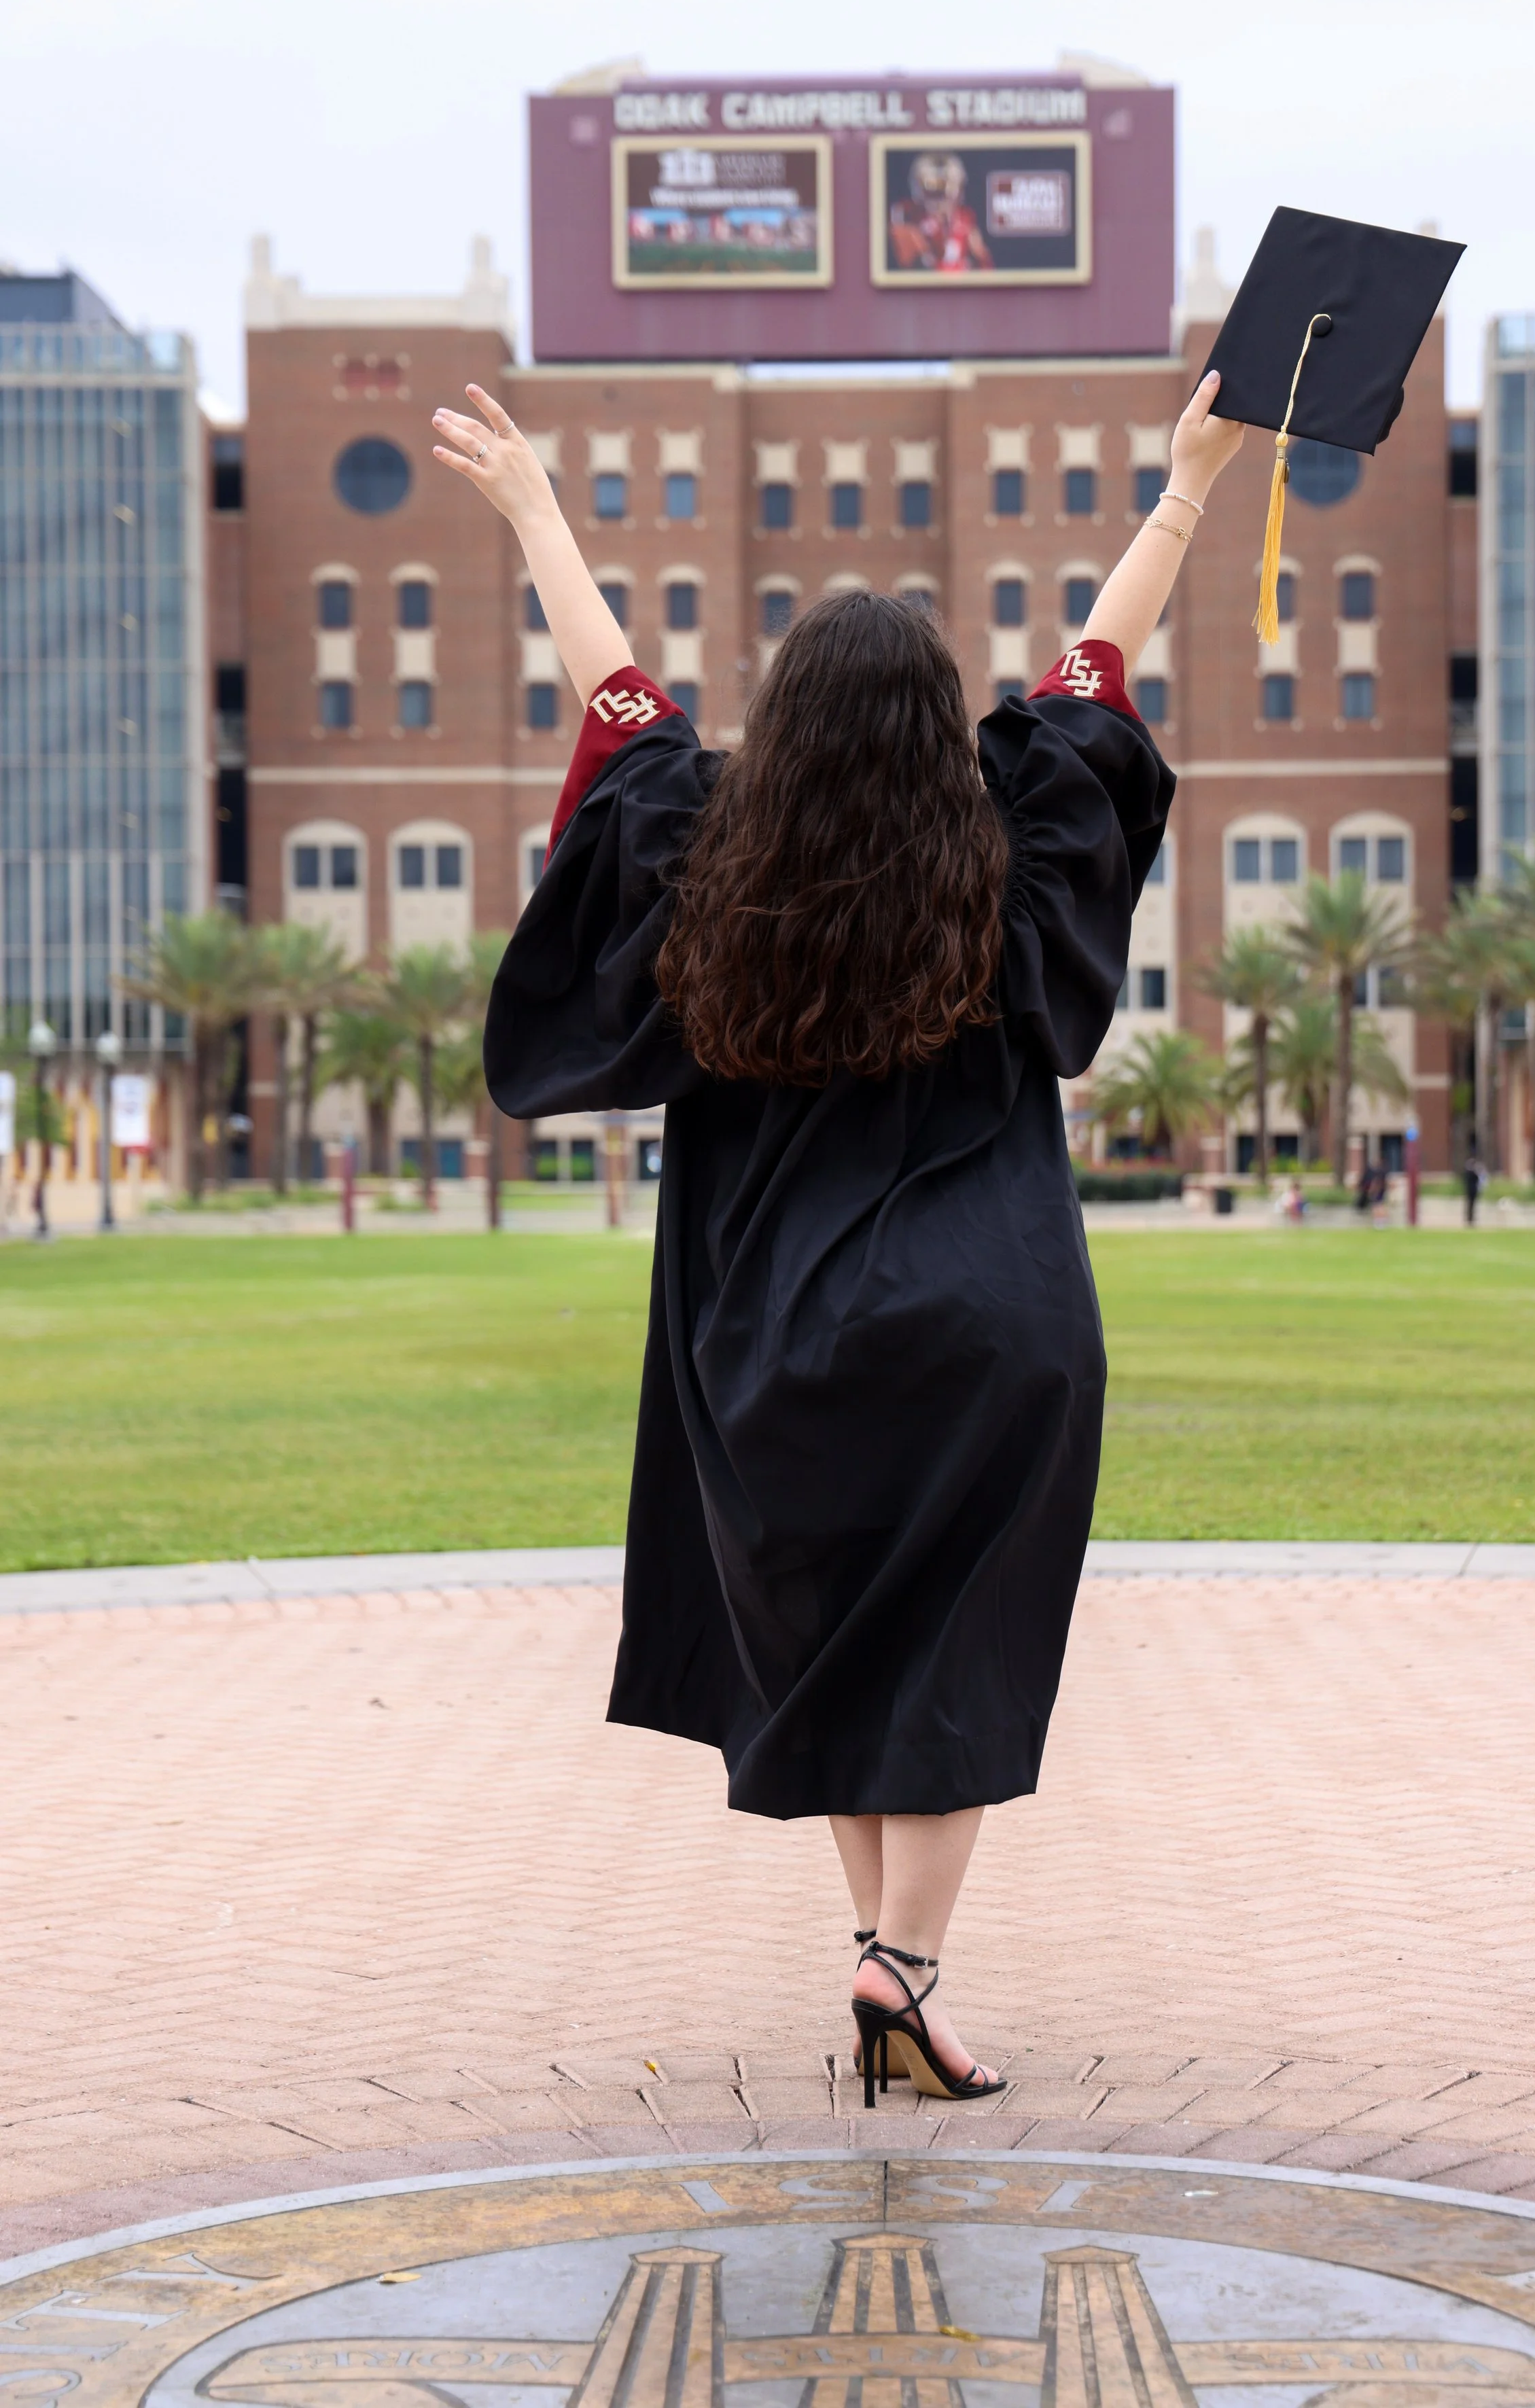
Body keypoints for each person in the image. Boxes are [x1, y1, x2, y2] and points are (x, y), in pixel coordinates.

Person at [432, 371, 1243, 2104]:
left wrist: (536, 514)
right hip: (987, 1322)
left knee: (838, 1642)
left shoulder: (702, 851)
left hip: (770, 1335)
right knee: (947, 1637)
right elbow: (1096, 681)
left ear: (784, 721)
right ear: (942, 718)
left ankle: (889, 1961)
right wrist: (1182, 492)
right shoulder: (1005, 858)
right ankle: (904, 1966)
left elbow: (617, 691)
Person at [1463, 1148, 1485, 1226]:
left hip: (1470, 1191)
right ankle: (1470, 1219)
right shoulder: (1472, 1173)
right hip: (1472, 1191)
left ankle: (1470, 1219)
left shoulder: (1468, 1173)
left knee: (1470, 1205)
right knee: (1471, 1205)